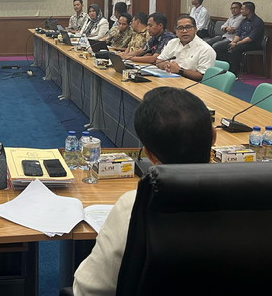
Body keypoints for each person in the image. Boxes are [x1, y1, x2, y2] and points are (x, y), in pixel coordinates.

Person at [73, 87, 215, 295]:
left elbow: (88, 290)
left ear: (149, 154)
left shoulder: (136, 204)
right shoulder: (255, 196)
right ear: (214, 137)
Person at [156, 15, 216, 81]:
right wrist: (166, 65)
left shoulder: (206, 50)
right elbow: (159, 61)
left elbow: (203, 76)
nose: (184, 31)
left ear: (195, 29)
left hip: (192, 85)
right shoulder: (172, 43)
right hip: (170, 80)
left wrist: (180, 70)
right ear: (176, 31)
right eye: (180, 28)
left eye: (188, 27)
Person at [225, 1, 265, 76]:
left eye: (242, 9)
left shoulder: (257, 22)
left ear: (248, 11)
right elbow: (238, 34)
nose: (241, 11)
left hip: (253, 44)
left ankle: (234, 73)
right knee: (227, 46)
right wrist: (233, 42)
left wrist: (236, 44)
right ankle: (227, 69)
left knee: (236, 49)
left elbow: (250, 38)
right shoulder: (244, 21)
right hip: (243, 42)